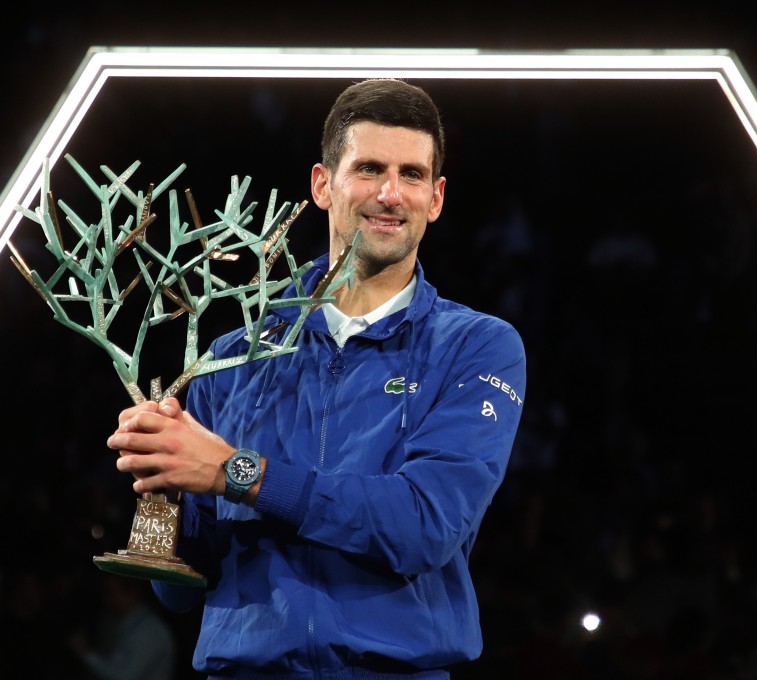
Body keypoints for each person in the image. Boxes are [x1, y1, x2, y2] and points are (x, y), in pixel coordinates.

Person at [106, 77, 527, 679]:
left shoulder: (477, 348)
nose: (390, 193)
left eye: (411, 175)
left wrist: (235, 472)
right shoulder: (231, 357)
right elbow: (181, 593)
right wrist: (163, 482)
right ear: (322, 186)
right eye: (369, 168)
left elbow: (424, 525)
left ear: (435, 199)